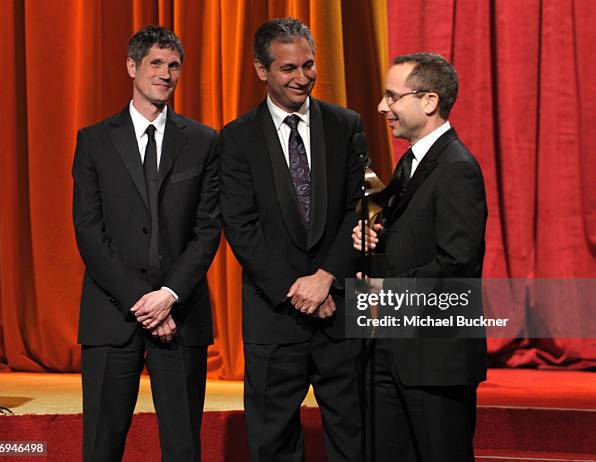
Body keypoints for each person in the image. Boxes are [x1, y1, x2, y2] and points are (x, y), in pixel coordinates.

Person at [72, 25, 220, 462]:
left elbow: (208, 229)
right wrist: (144, 302)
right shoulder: (94, 140)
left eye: (174, 66)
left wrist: (169, 296)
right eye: (156, 63)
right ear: (133, 67)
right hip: (112, 315)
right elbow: (88, 230)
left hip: (182, 314)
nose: (166, 74)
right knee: (101, 445)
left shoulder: (204, 140)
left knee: (183, 447)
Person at [220, 17, 365, 462]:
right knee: (273, 441)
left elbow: (361, 208)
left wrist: (326, 278)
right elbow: (241, 227)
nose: (303, 77)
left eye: (308, 65)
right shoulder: (236, 138)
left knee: (355, 436)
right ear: (262, 71)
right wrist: (299, 290)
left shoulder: (347, 125)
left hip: (341, 309)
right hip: (274, 315)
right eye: (288, 69)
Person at [352, 53, 488, 461]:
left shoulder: (457, 168)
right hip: (394, 349)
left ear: (428, 101)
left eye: (392, 97)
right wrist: (375, 239)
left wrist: (385, 290)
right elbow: (414, 241)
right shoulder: (413, 162)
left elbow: (457, 263)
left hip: (434, 359)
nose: (382, 107)